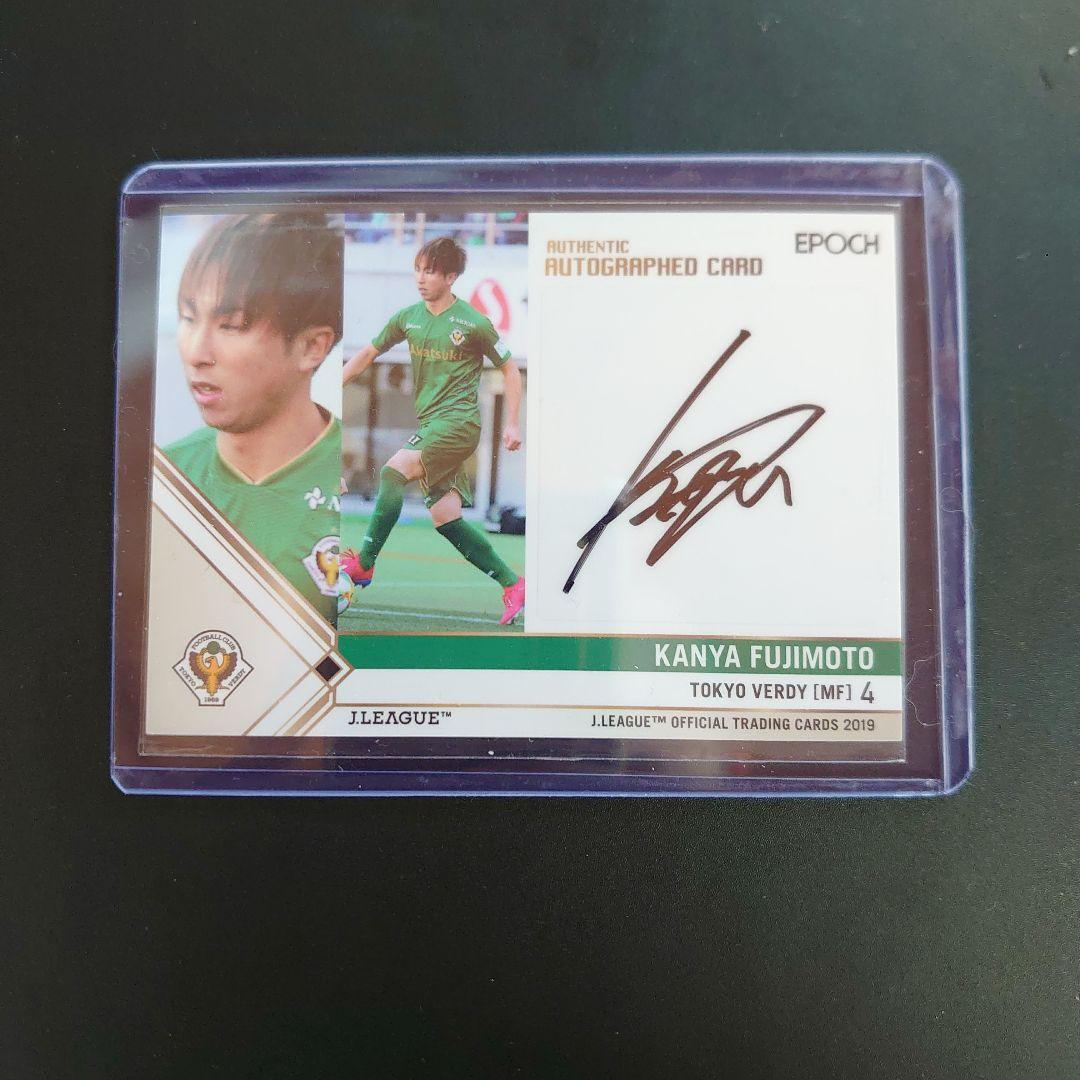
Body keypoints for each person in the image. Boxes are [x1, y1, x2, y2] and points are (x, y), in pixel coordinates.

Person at [162, 213, 344, 623]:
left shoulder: (356, 492)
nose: (197, 352)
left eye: (231, 326)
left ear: (312, 347)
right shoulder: (162, 481)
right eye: (188, 318)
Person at [341, 236, 526, 625]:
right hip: (433, 425)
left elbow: (510, 369)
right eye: (418, 270)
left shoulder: (473, 323)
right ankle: (513, 584)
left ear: (451, 277)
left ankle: (366, 563)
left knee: (393, 472)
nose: (421, 278)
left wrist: (511, 422)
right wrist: (331, 386)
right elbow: (368, 353)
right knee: (447, 521)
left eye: (430, 271)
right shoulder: (408, 317)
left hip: (459, 424)